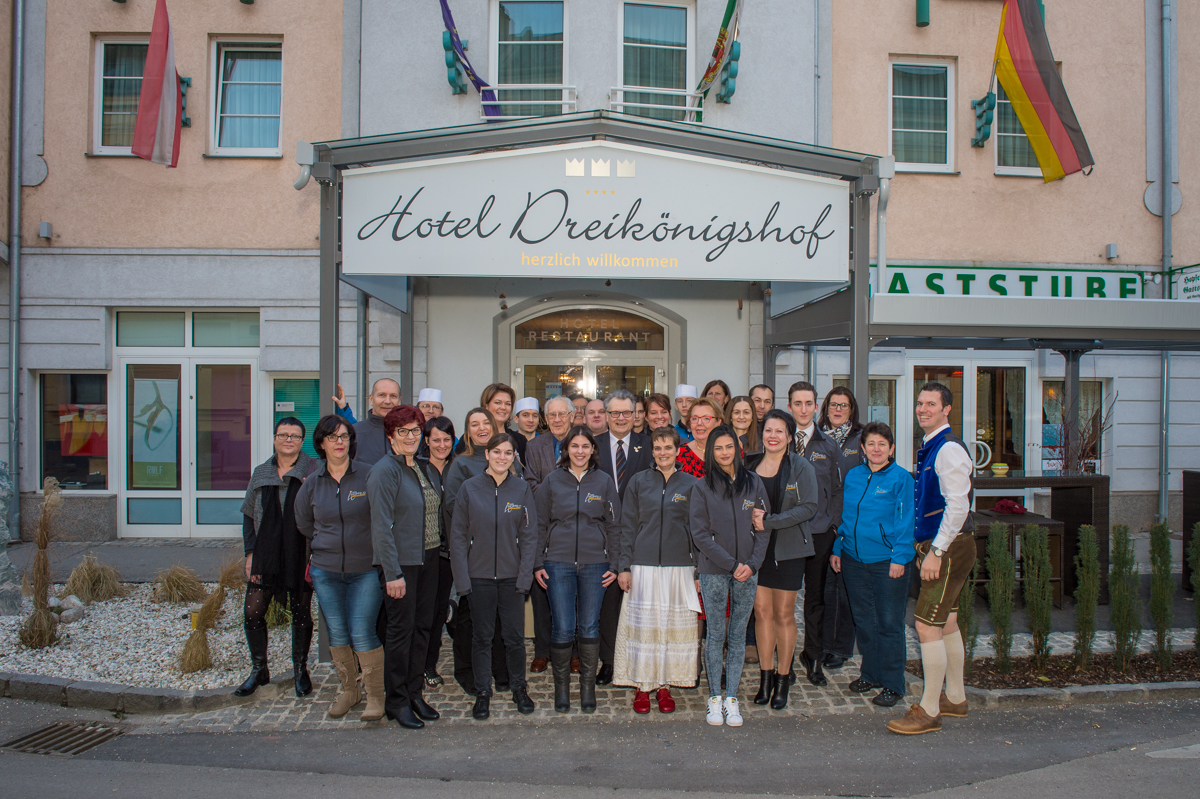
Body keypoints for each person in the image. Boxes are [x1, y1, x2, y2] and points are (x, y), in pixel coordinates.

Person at [887, 383, 976, 735]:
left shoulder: (948, 448)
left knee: (926, 626)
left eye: (931, 404)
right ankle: (955, 697)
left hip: (948, 547)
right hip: (949, 546)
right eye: (920, 403)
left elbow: (958, 506)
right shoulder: (933, 445)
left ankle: (929, 710)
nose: (922, 409)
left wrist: (936, 552)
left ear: (946, 409)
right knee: (948, 621)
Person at [295, 415, 384, 720]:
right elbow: (304, 522)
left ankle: (375, 696)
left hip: (365, 569)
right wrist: (327, 543)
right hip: (326, 570)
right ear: (321, 443)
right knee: (337, 633)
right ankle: (350, 690)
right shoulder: (312, 483)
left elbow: (382, 517)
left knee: (362, 631)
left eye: (344, 436)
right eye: (332, 437)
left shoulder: (368, 475)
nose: (339, 442)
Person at [449, 433, 539, 720]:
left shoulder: (521, 489)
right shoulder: (469, 488)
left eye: (508, 453)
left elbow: (529, 537)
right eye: (497, 452)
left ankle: (519, 688)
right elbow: (458, 538)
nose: (502, 457)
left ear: (514, 457)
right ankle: (482, 692)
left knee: (514, 638)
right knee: (482, 638)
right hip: (479, 577)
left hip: (512, 578)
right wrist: (462, 581)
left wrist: (525, 578)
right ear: (487, 454)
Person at [613, 426, 701, 714]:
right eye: (658, 448)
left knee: (671, 629)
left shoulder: (691, 485)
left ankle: (664, 686)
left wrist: (698, 571)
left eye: (668, 448)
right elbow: (627, 526)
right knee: (645, 630)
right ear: (652, 451)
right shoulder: (638, 482)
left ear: (677, 451)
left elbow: (697, 531)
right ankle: (643, 686)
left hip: (679, 569)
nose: (663, 453)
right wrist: (624, 566)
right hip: (643, 567)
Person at [534, 426, 621, 713]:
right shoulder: (552, 480)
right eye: (575, 446)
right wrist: (537, 562)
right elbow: (539, 524)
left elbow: (614, 525)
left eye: (585, 446)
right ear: (566, 449)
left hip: (596, 564)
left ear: (593, 449)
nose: (580, 451)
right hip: (557, 563)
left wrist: (615, 564)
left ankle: (587, 688)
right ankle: (561, 689)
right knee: (562, 627)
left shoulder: (604, 481)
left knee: (589, 625)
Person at [831, 421, 915, 710]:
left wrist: (899, 558)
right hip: (853, 560)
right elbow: (847, 517)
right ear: (863, 448)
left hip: (887, 563)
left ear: (891, 448)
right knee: (865, 621)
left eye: (882, 444)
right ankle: (871, 674)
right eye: (871, 444)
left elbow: (906, 522)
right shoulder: (854, 476)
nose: (876, 449)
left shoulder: (901, 479)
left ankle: (893, 683)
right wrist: (838, 548)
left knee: (889, 623)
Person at [689, 425, 769, 728]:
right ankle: (715, 697)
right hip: (714, 570)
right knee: (715, 635)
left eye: (729, 446)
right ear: (711, 452)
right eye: (718, 448)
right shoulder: (702, 487)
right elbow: (700, 534)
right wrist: (732, 564)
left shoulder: (754, 483)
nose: (724, 453)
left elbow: (762, 526)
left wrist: (753, 564)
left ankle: (732, 697)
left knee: (737, 635)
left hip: (748, 571)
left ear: (738, 449)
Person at [368, 405, 442, 729]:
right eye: (403, 431)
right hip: (402, 565)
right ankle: (396, 701)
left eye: (416, 430)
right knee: (401, 633)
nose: (411, 436)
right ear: (390, 435)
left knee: (423, 628)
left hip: (429, 558)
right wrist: (392, 573)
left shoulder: (421, 467)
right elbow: (381, 527)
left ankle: (414, 694)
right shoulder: (384, 471)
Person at [235, 418, 315, 698]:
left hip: (300, 553)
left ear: (302, 441)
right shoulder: (261, 473)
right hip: (266, 554)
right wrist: (250, 554)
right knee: (252, 612)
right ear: (274, 438)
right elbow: (248, 515)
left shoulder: (313, 471)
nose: (288, 440)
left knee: (301, 612)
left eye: (294, 436)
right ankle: (259, 669)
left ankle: (300, 670)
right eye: (283, 435)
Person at [744, 410, 818, 710]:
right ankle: (765, 678)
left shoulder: (801, 466)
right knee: (762, 613)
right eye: (768, 430)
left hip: (788, 550)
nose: (772, 436)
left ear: (789, 436)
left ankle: (783, 678)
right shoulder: (749, 464)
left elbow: (809, 507)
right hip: (756, 552)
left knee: (784, 615)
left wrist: (770, 521)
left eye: (779, 431)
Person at [442, 407, 519, 693]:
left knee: (500, 617)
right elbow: (453, 506)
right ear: (467, 431)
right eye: (474, 424)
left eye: (485, 422)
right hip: (475, 551)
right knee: (469, 617)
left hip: (505, 552)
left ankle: (500, 669)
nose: (481, 428)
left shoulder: (510, 460)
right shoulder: (460, 465)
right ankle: (467, 671)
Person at [595, 389, 653, 685]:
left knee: (637, 600)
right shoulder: (591, 445)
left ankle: (638, 658)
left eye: (626, 412)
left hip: (640, 534)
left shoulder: (650, 445)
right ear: (606, 416)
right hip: (601, 535)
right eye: (615, 413)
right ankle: (608, 661)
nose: (621, 418)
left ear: (635, 415)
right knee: (608, 602)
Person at [787, 380, 843, 688]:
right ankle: (784, 660)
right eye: (798, 403)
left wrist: (833, 526)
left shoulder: (828, 445)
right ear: (790, 406)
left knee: (816, 599)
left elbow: (836, 490)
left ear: (816, 406)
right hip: (786, 532)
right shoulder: (779, 439)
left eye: (808, 403)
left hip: (819, 532)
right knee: (784, 601)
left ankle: (813, 655)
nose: (803, 409)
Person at [521, 395, 574, 673]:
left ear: (572, 416)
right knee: (542, 589)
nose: (557, 419)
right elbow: (530, 484)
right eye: (552, 415)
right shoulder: (534, 446)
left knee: (573, 592)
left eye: (562, 414)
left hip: (575, 528)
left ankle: (574, 650)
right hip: (543, 527)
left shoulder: (582, 441)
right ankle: (542, 650)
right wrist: (560, 491)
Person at [819, 386, 865, 670]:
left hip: (848, 524)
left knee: (843, 590)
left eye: (843, 405)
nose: (838, 410)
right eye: (833, 404)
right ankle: (824, 643)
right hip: (821, 523)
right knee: (824, 590)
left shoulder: (860, 439)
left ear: (852, 410)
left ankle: (840, 647)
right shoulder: (817, 438)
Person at [419, 415, 457, 690]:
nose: (442, 445)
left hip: (454, 552)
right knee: (426, 612)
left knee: (442, 609)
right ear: (426, 441)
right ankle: (424, 665)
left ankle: (431, 662)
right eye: (436, 440)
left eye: (447, 439)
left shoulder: (458, 467)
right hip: (427, 551)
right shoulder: (418, 469)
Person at [353, 378, 401, 465]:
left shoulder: (408, 433)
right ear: (371, 399)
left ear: (399, 401)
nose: (387, 401)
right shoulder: (355, 433)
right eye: (382, 395)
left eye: (393, 396)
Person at [676, 397, 723, 478]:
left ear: (718, 422)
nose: (699, 423)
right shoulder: (678, 455)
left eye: (706, 418)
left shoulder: (731, 451)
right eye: (694, 418)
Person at [481, 383, 525, 463]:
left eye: (508, 404)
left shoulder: (520, 440)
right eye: (497, 402)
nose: (503, 407)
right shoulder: (474, 438)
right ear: (486, 406)